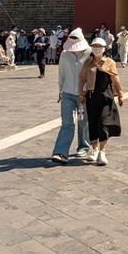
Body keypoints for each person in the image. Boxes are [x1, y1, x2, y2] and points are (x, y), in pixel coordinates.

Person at [78, 38, 125, 167]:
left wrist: (120, 94)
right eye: (95, 46)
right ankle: (94, 150)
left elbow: (115, 79)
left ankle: (102, 152)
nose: (97, 48)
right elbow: (82, 79)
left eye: (99, 46)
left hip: (106, 97)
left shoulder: (110, 62)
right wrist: (81, 94)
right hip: (91, 97)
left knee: (104, 124)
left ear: (104, 48)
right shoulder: (87, 62)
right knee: (93, 123)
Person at [50, 28, 93, 164]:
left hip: (83, 95)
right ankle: (60, 152)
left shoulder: (89, 53)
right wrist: (60, 90)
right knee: (67, 123)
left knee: (83, 121)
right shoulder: (64, 54)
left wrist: (87, 90)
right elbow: (61, 73)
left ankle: (84, 146)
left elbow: (92, 74)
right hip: (67, 94)